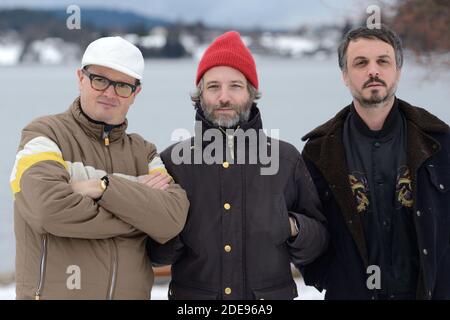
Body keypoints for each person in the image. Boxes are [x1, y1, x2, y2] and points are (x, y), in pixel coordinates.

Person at [147, 31, 328, 300]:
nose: (224, 97)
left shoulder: (285, 159)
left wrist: (291, 225)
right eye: (213, 86)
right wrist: (173, 228)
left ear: (251, 92)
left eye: (235, 85)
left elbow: (319, 242)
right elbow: (155, 254)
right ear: (200, 94)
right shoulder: (173, 162)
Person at [10, 36, 189, 300]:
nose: (109, 93)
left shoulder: (144, 152)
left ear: (136, 93)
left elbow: (171, 220)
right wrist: (139, 216)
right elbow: (47, 211)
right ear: (80, 78)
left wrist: (100, 187)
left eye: (122, 85)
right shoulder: (44, 134)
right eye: (100, 80)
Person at [301, 25, 450, 300]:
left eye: (383, 61)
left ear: (398, 71)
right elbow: (310, 232)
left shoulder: (440, 142)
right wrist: (332, 280)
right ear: (345, 76)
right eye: (361, 63)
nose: (373, 71)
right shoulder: (318, 152)